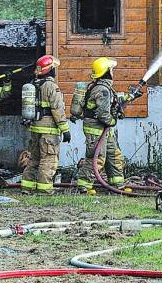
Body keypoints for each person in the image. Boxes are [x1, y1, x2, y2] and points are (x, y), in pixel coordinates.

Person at [75, 57, 141, 194]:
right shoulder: (102, 90)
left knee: (114, 155)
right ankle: (83, 186)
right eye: (111, 70)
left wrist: (130, 97)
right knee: (97, 158)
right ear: (106, 72)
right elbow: (103, 114)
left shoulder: (103, 87)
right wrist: (113, 121)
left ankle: (117, 185)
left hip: (104, 130)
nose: (113, 72)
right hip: (97, 129)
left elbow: (114, 102)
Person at [21, 55, 69, 195]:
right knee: (48, 159)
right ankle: (44, 190)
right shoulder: (51, 86)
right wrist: (65, 130)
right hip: (49, 130)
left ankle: (27, 187)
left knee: (34, 159)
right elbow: (57, 110)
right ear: (50, 70)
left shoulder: (33, 84)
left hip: (35, 128)